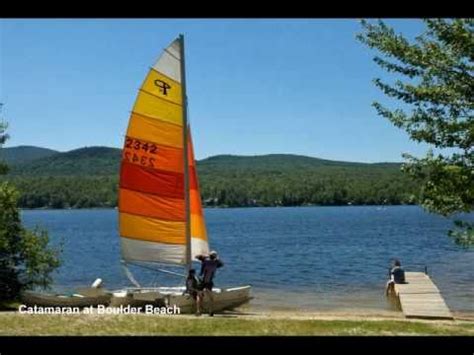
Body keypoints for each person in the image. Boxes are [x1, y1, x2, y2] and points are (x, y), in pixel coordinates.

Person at [196, 250, 224, 316]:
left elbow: (196, 256)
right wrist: (217, 258)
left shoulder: (205, 260)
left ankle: (198, 311)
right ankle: (210, 311)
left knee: (199, 296)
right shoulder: (216, 263)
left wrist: (206, 256)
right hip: (209, 282)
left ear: (209, 256)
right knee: (211, 297)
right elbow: (222, 264)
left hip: (202, 281)